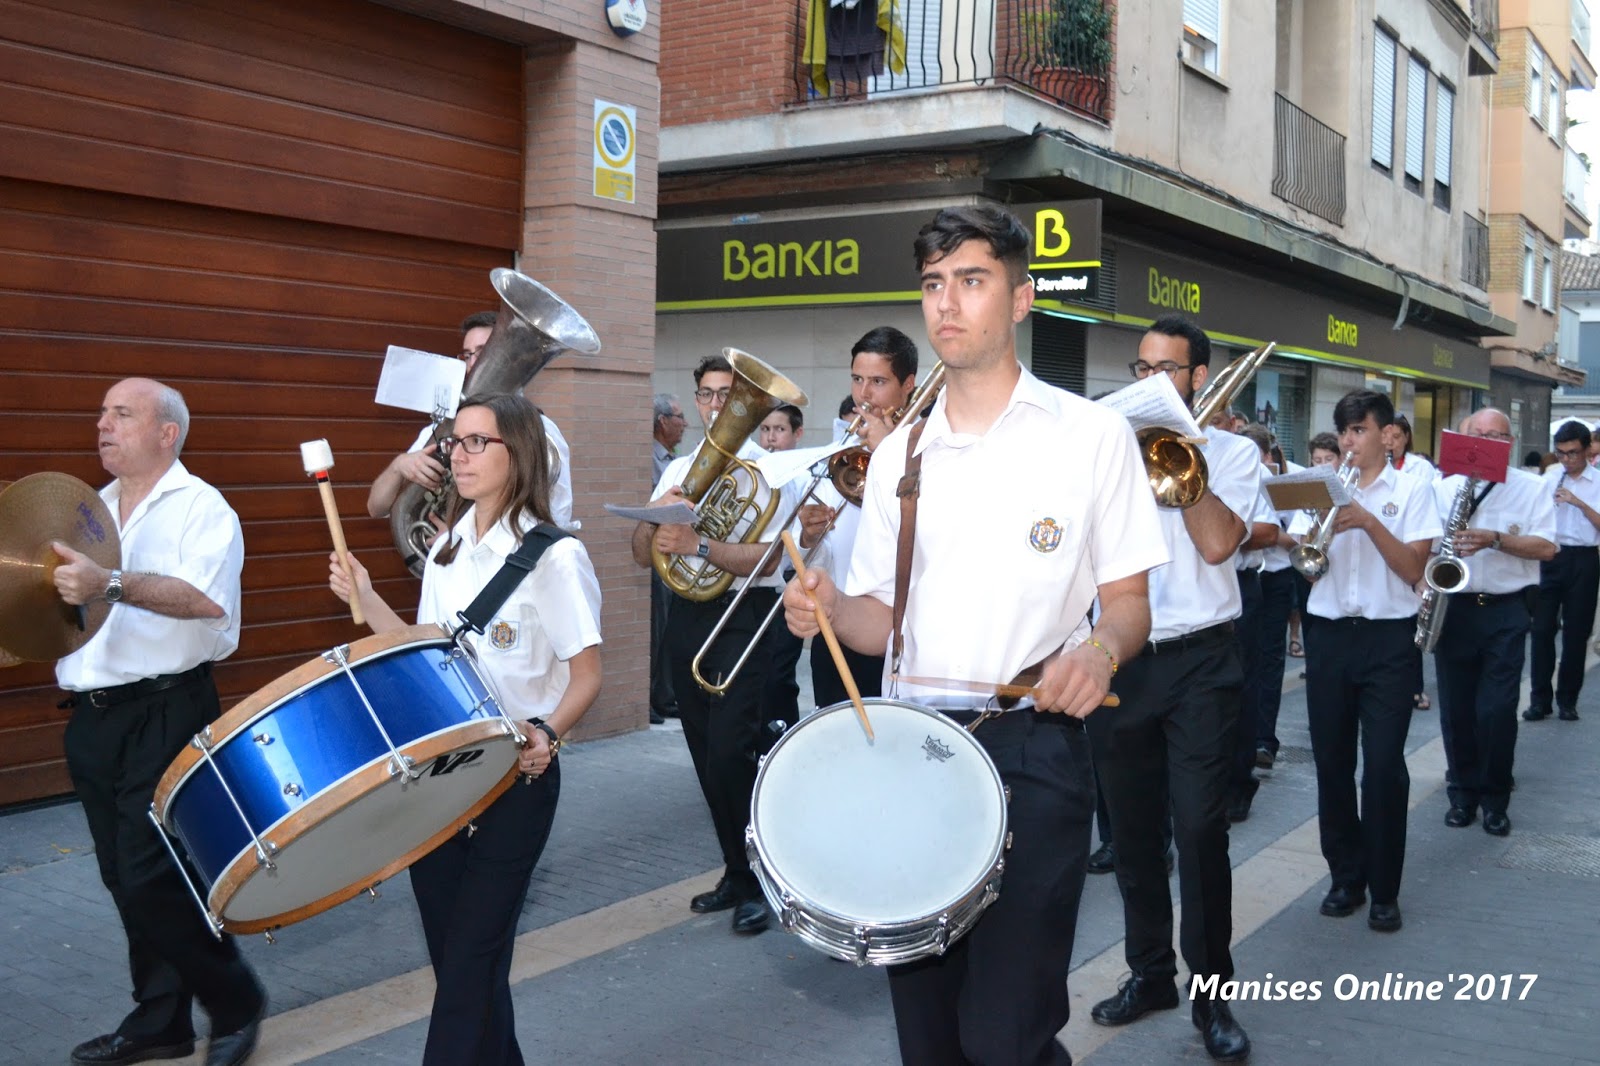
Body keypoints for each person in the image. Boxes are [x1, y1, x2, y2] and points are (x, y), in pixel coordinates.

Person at [785, 205, 1166, 1066]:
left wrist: (1099, 651)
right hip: (912, 754)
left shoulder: (1092, 436)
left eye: (971, 280)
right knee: (928, 1039)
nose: (946, 303)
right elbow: (880, 621)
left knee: (1007, 1035)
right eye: (932, 284)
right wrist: (828, 607)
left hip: (1034, 748)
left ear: (1020, 299)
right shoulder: (901, 456)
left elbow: (1130, 602)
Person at [329, 392, 602, 1066]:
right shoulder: (447, 547)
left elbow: (588, 674)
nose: (458, 454)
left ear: (520, 453)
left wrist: (547, 734)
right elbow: (426, 653)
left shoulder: (555, 556)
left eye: (479, 442)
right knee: (461, 959)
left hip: (516, 776)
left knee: (470, 961)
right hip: (441, 778)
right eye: (457, 441)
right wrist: (367, 598)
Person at [50, 378, 267, 1066]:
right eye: (101, 413)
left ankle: (235, 1001)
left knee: (152, 875)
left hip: (167, 708)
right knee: (123, 875)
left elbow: (205, 599)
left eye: (122, 414)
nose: (103, 424)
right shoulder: (90, 509)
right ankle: (162, 1019)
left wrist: (108, 583)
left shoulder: (203, 507)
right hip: (93, 717)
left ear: (167, 433)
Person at [1086, 316, 1260, 1062]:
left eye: (1167, 369)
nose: (1152, 379)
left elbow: (1219, 544)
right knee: (1132, 836)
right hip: (1123, 660)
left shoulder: (1234, 451)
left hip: (1201, 661)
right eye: (1142, 368)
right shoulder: (1105, 453)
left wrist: (1183, 462)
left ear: (1198, 378)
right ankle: (1150, 975)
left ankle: (1212, 999)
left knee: (1199, 831)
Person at [631, 353, 806, 936]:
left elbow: (769, 559)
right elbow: (641, 554)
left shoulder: (770, 471)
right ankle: (737, 870)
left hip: (741, 615)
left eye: (727, 395)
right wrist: (654, 519)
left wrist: (698, 545)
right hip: (689, 615)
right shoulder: (681, 469)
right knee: (706, 754)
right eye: (706, 394)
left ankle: (763, 879)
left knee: (734, 753)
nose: (715, 406)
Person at [1299, 390, 1440, 934]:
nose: (1349, 441)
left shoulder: (1413, 488)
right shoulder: (1324, 487)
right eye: (1344, 431)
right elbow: (1307, 567)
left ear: (1387, 434)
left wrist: (1368, 522)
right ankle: (1345, 877)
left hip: (1388, 640)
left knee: (1382, 767)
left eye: (1358, 430)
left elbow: (1413, 569)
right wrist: (1321, 523)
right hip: (1330, 635)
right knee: (1332, 763)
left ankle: (1384, 889)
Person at [1431, 408, 1556, 837]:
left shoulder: (1532, 488)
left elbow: (1547, 547)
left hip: (1506, 608)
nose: (1485, 442)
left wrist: (1496, 540)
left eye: (1496, 436)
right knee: (1457, 709)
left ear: (1510, 442)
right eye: (1477, 434)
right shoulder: (1442, 487)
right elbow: (1427, 546)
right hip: (1456, 607)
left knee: (1498, 710)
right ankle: (1462, 793)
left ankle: (1495, 798)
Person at [797, 326, 922, 708]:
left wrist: (889, 454)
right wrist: (809, 538)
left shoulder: (930, 450)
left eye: (878, 382)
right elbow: (824, 559)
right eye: (857, 379)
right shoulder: (842, 453)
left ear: (908, 385)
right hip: (837, 628)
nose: (863, 395)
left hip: (901, 636)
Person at [367, 311, 575, 529]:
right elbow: (376, 507)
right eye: (467, 355)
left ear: (513, 359)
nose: (474, 363)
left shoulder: (541, 430)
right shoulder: (442, 427)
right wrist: (398, 466)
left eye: (483, 353)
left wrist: (464, 538)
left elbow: (556, 518)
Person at [1527, 420, 1600, 721]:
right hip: (1551, 555)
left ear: (1587, 450)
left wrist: (1578, 502)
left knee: (1576, 633)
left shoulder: (1597, 481)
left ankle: (1567, 700)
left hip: (1584, 558)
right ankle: (1539, 700)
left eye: (1573, 453)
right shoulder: (1551, 477)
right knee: (1541, 630)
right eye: (1561, 453)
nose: (1567, 459)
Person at [649, 394, 687, 724]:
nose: (684, 424)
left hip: (677, 554)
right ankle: (654, 696)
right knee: (657, 628)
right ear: (662, 421)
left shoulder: (675, 459)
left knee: (667, 627)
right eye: (679, 417)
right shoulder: (651, 459)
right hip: (659, 553)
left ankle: (665, 694)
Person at [1288, 432, 1341, 662]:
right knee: (1312, 628)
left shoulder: (1349, 489)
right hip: (1311, 568)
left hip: (1338, 569)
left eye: (1329, 459)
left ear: (1340, 459)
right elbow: (1300, 535)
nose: (1322, 466)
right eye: (1317, 460)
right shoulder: (1308, 491)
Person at [1385, 414, 1437, 482]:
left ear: (1406, 437)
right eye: (1385, 436)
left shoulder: (1422, 467)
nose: (1389, 442)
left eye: (1396, 437)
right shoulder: (1373, 467)